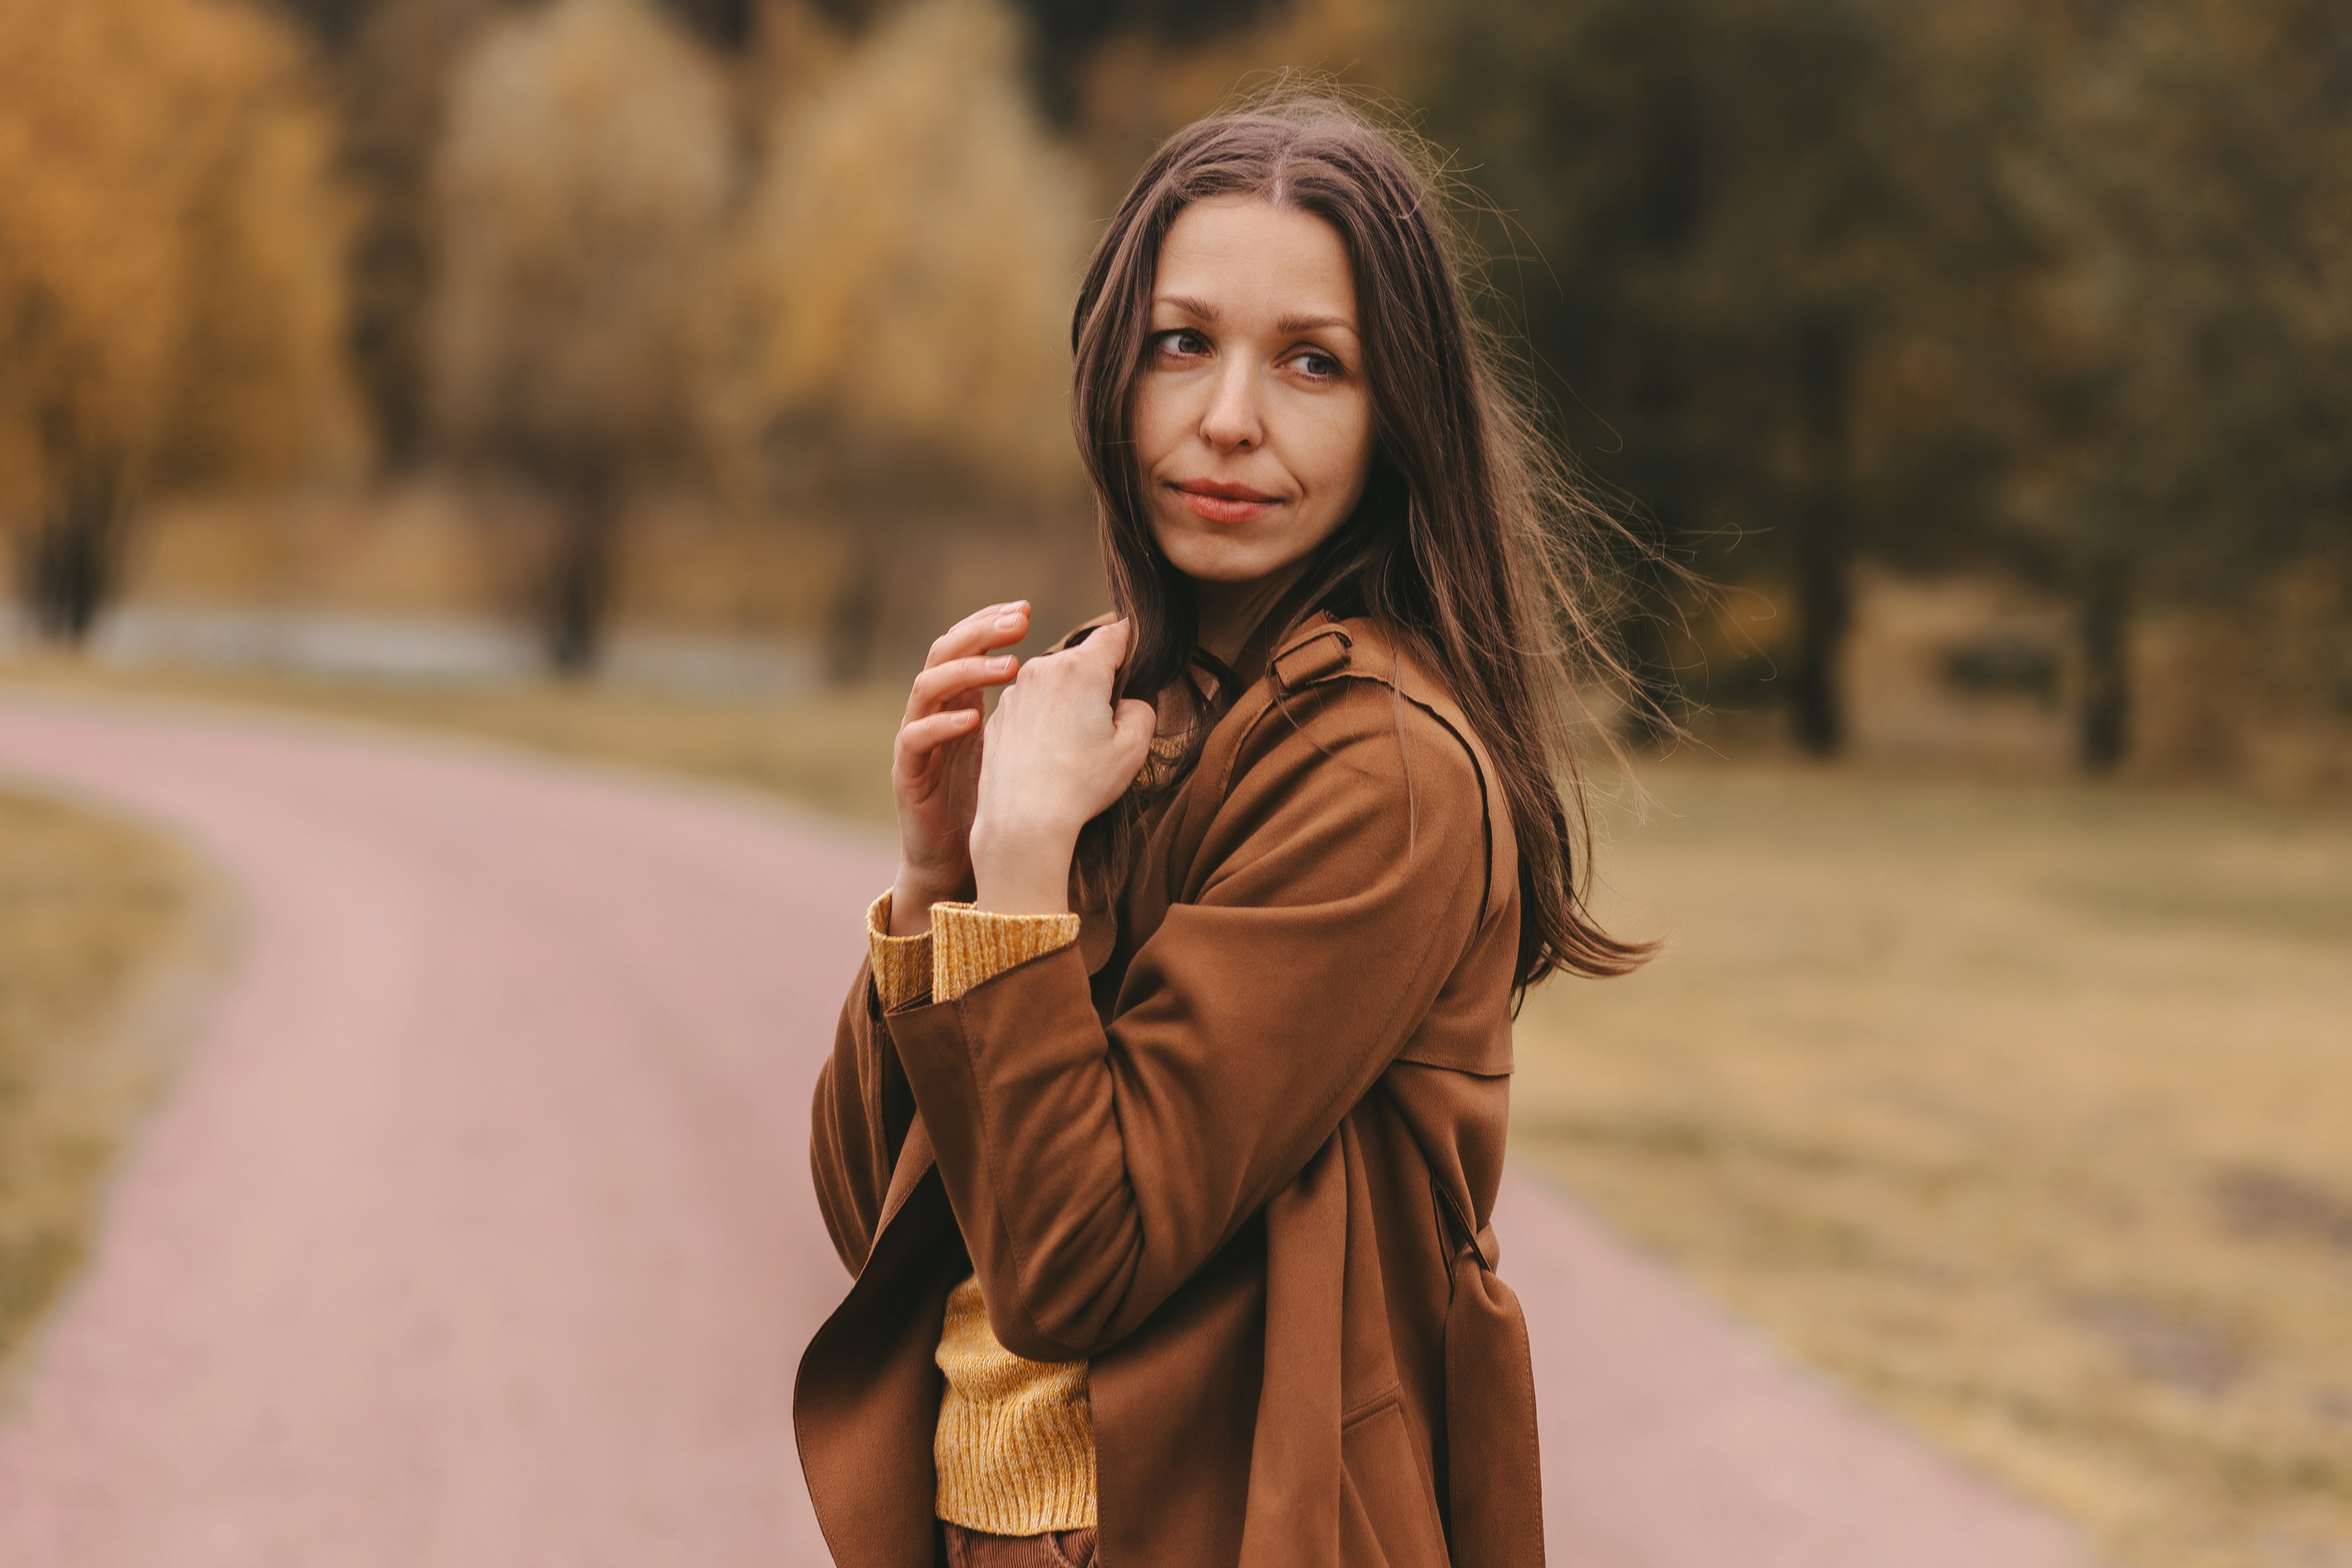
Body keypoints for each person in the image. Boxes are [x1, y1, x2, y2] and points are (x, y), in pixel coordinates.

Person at [797, 90, 1653, 1568]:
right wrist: (943, 879)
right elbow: (878, 1210)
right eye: (1181, 342)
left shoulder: (1378, 767)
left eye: (1312, 362)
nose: (1229, 418)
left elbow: (1074, 1267)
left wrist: (1018, 882)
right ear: (1110, 368)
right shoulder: (1128, 707)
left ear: (1399, 420)